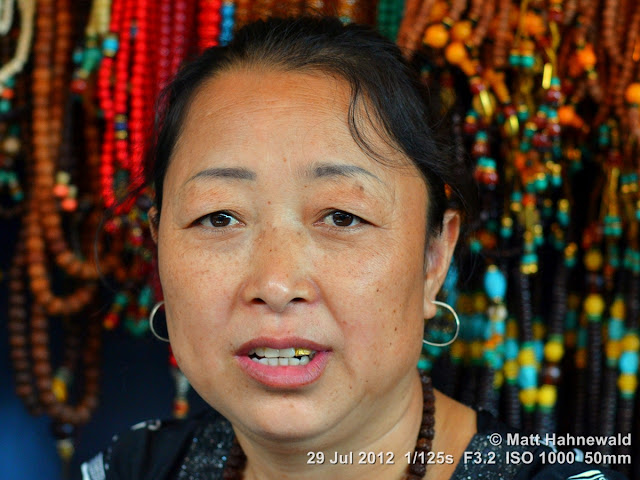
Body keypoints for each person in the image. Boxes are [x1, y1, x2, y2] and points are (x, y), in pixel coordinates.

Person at [82, 15, 628, 480]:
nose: (275, 284)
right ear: (158, 248)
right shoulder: (130, 467)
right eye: (218, 216)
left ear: (434, 256)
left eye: (342, 216)